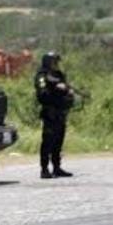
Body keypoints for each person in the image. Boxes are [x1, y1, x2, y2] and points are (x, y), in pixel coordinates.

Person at [35, 51, 74, 179]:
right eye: (53, 61)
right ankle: (44, 169)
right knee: (48, 142)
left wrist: (68, 92)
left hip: (61, 113)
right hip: (50, 113)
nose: (55, 64)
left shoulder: (59, 75)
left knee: (58, 142)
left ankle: (57, 167)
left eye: (57, 61)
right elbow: (42, 95)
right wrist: (57, 88)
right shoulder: (42, 76)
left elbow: (66, 92)